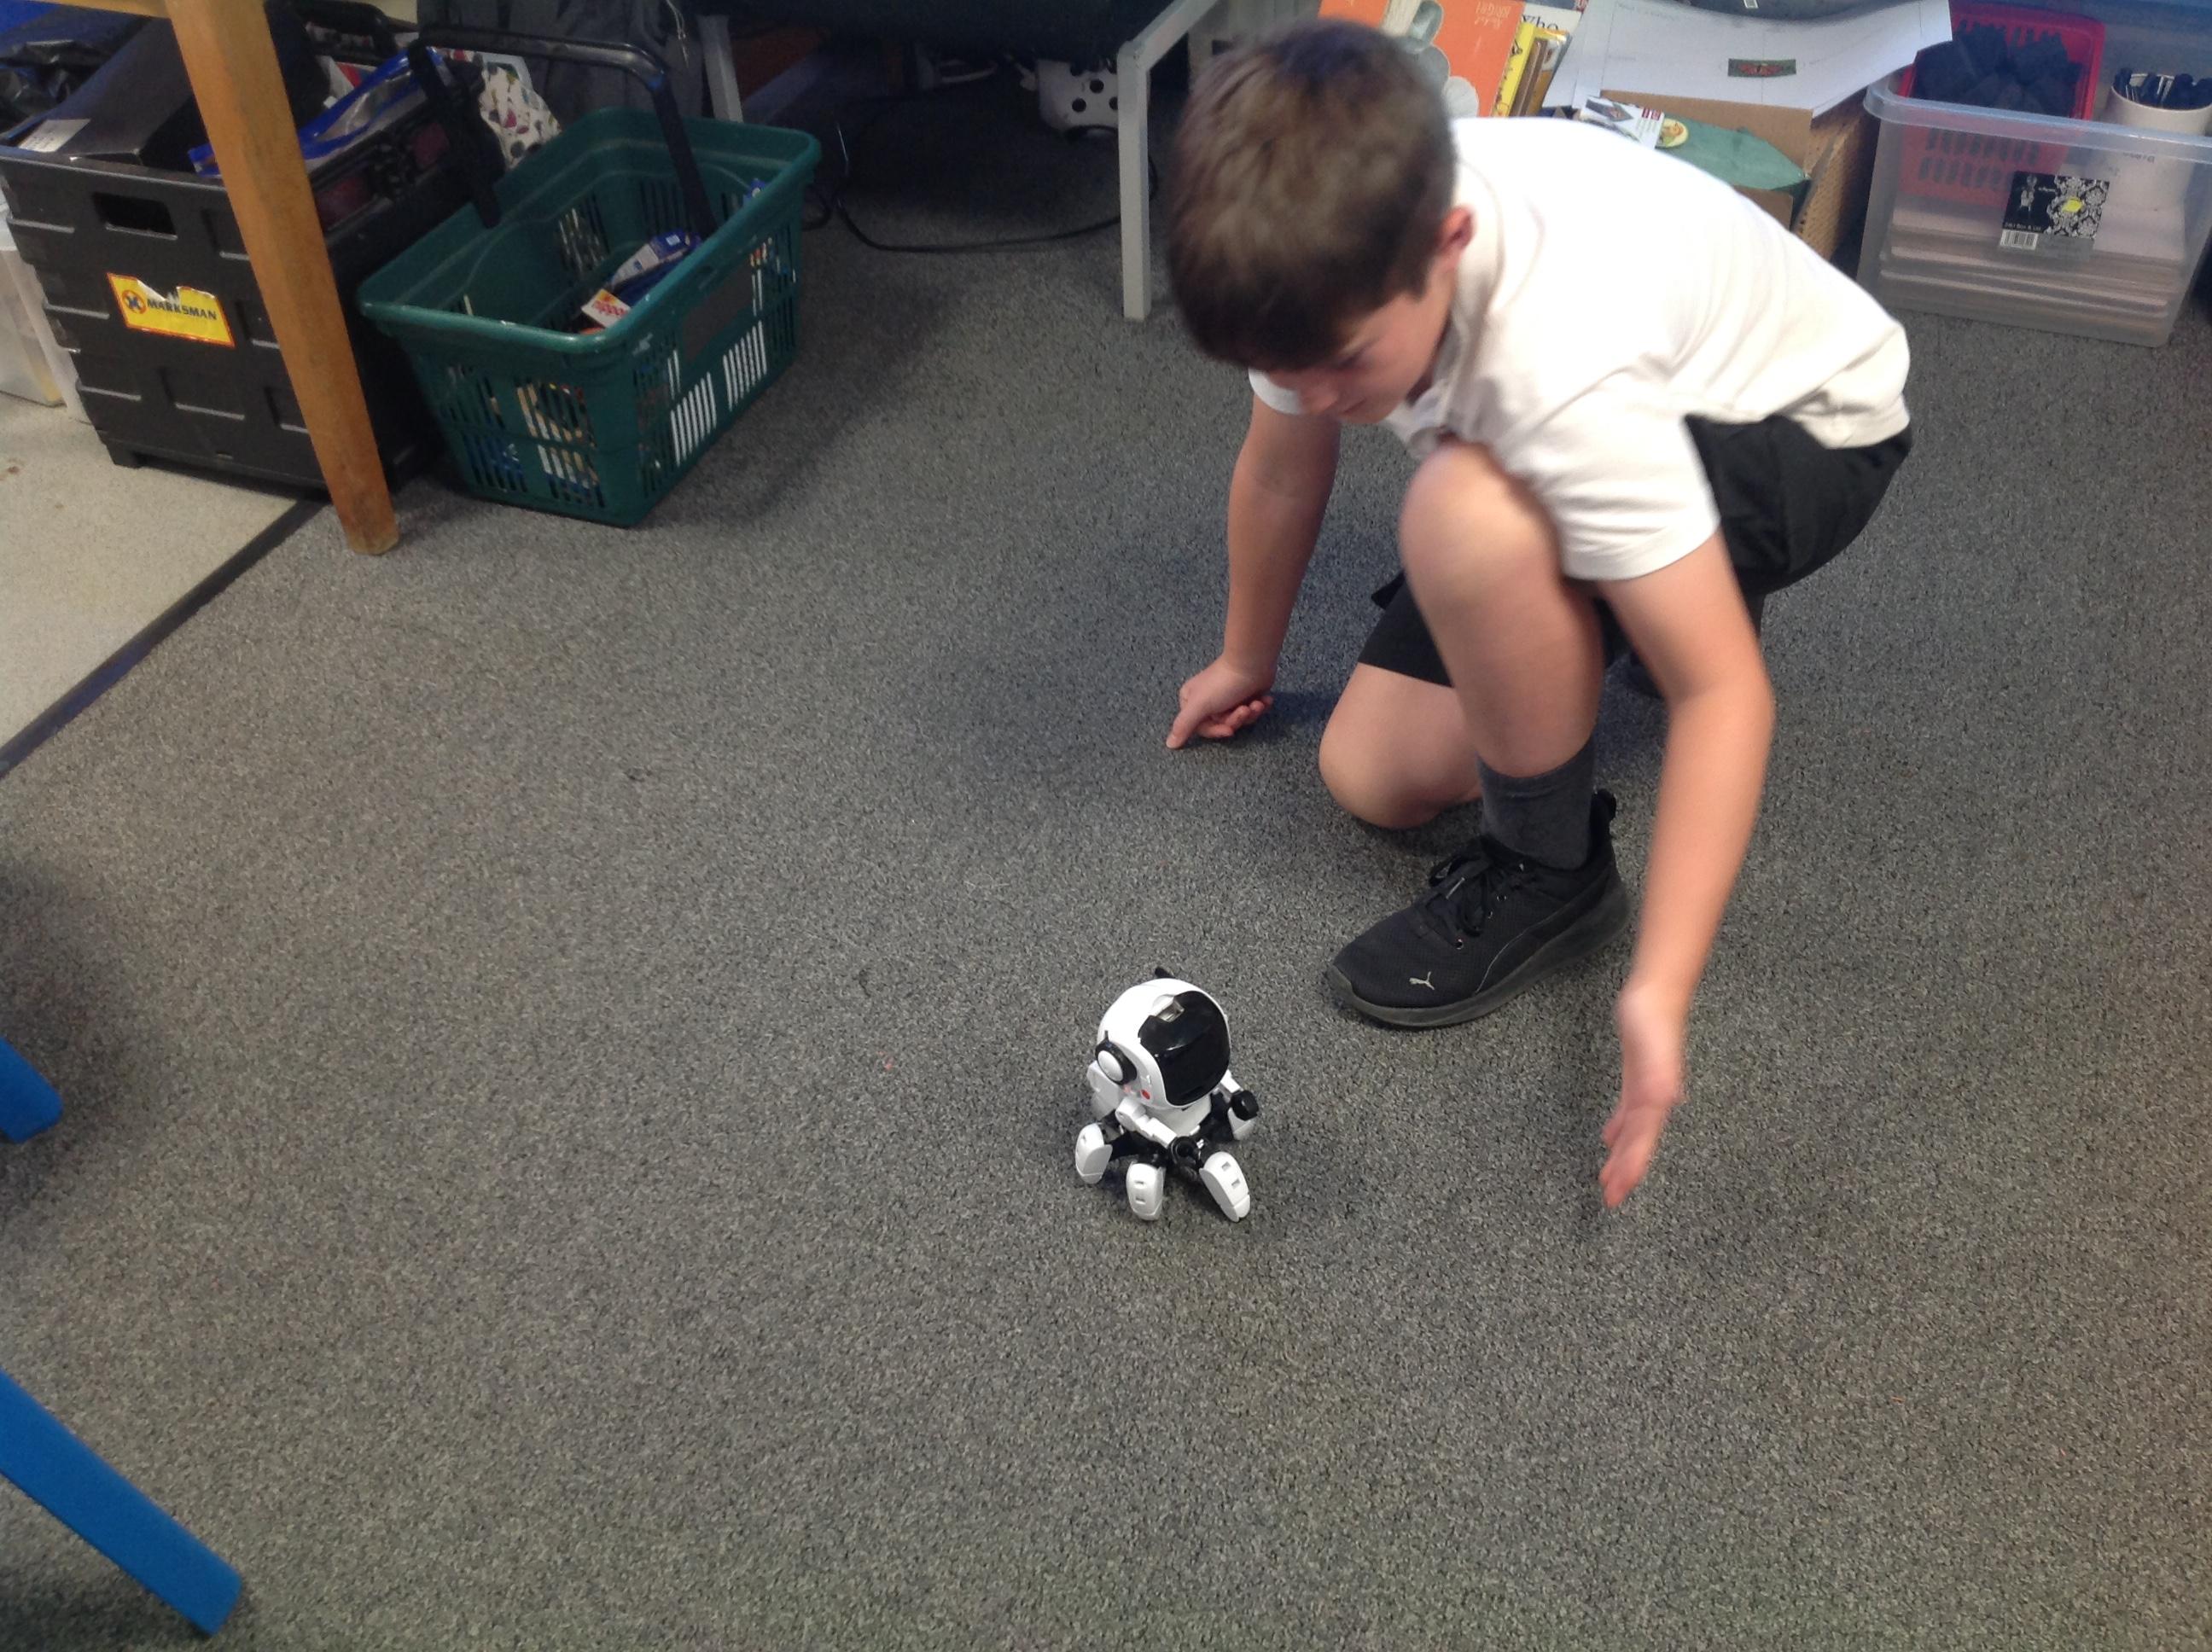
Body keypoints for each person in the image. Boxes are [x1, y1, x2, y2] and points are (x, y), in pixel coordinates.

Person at [1161, 20, 1913, 1207]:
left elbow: (1725, 695)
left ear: (1450, 243)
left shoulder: (1559, 360)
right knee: (1375, 773)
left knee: (1461, 516)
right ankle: (1635, 569)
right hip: (1652, 389)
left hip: (1803, 435)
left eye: (1345, 366)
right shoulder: (1307, 255)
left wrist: (1659, 991)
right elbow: (1283, 463)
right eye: (1286, 369)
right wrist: (1243, 654)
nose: (1318, 396)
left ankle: (1552, 870)